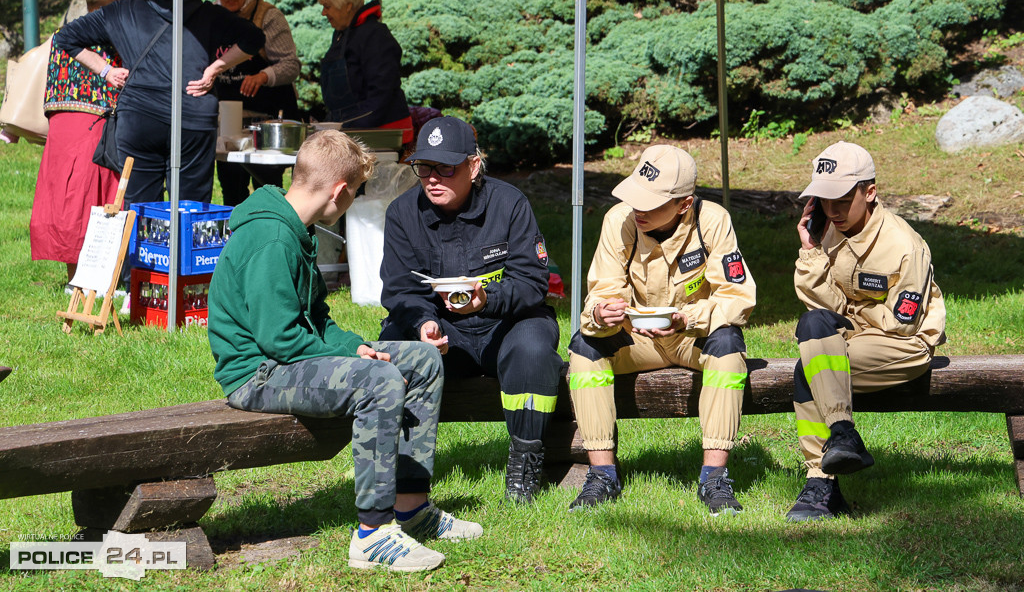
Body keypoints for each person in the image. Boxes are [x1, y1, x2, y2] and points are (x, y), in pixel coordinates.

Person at [207, 129, 482, 572]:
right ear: (339, 191)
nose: (353, 200)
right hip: (257, 373)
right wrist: (356, 365)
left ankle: (410, 506)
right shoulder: (273, 239)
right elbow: (279, 340)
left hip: (284, 359)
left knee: (422, 359)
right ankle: (373, 534)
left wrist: (355, 347)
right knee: (379, 381)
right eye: (355, 191)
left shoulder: (296, 229)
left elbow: (316, 319)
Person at [378, 116, 562, 503]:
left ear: (474, 165)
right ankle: (404, 471)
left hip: (504, 326)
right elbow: (399, 290)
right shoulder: (401, 213)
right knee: (394, 342)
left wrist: (488, 300)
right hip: (447, 335)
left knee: (533, 345)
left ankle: (526, 461)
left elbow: (533, 284)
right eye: (424, 167)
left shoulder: (510, 204)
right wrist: (424, 323)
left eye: (446, 168)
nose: (432, 178)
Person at [568, 145, 756, 515]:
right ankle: (602, 475)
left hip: (691, 336)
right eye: (636, 196)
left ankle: (714, 479)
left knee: (729, 344)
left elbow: (738, 297)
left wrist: (691, 319)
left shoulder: (712, 220)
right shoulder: (619, 220)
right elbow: (603, 289)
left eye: (650, 203)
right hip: (637, 338)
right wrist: (602, 311)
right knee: (584, 347)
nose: (638, 209)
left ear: (684, 204)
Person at [786, 141, 946, 521]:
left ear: (869, 192)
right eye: (823, 201)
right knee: (811, 329)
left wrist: (853, 316)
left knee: (812, 366)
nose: (832, 211)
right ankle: (841, 439)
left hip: (904, 346)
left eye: (841, 199)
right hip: (854, 336)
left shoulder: (904, 244)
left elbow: (902, 322)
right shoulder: (828, 231)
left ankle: (820, 483)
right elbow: (821, 306)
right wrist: (809, 251)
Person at [52, 0, 266, 208]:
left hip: (139, 119)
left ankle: (146, 250)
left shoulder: (123, 10)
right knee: (190, 208)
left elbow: (65, 37)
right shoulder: (210, 14)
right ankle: (183, 249)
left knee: (141, 209)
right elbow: (255, 38)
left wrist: (106, 71)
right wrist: (215, 68)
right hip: (192, 118)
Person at [30, 0, 130, 284]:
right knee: (96, 200)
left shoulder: (62, 34)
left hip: (62, 130)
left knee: (66, 202)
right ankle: (98, 279)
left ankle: (75, 276)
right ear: (111, 6)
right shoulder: (112, 39)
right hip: (95, 128)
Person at [208, 0, 302, 206]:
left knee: (268, 189)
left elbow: (291, 65)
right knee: (231, 189)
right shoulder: (212, 17)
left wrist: (263, 76)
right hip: (227, 123)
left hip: (266, 122)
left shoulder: (267, 16)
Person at [316, 0, 413, 144]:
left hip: (383, 133)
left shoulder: (375, 35)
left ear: (347, 6)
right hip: (353, 129)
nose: (324, 13)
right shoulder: (341, 35)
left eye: (327, 6)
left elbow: (382, 93)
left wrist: (347, 128)